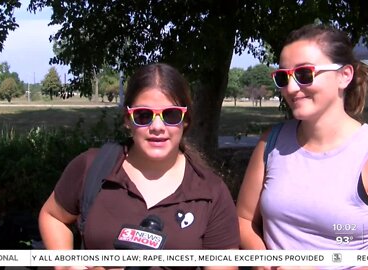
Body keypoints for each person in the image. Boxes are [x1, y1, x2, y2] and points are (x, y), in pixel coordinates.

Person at [237, 23, 368, 265]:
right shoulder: (271, 143)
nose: (290, 88)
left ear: (344, 76)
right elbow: (244, 220)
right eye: (283, 76)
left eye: (304, 74)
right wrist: (266, 261)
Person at [39, 63, 239, 270]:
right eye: (143, 115)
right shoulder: (92, 167)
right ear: (128, 119)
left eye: (171, 115)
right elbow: (53, 216)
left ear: (185, 120)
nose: (157, 127)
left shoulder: (212, 193)